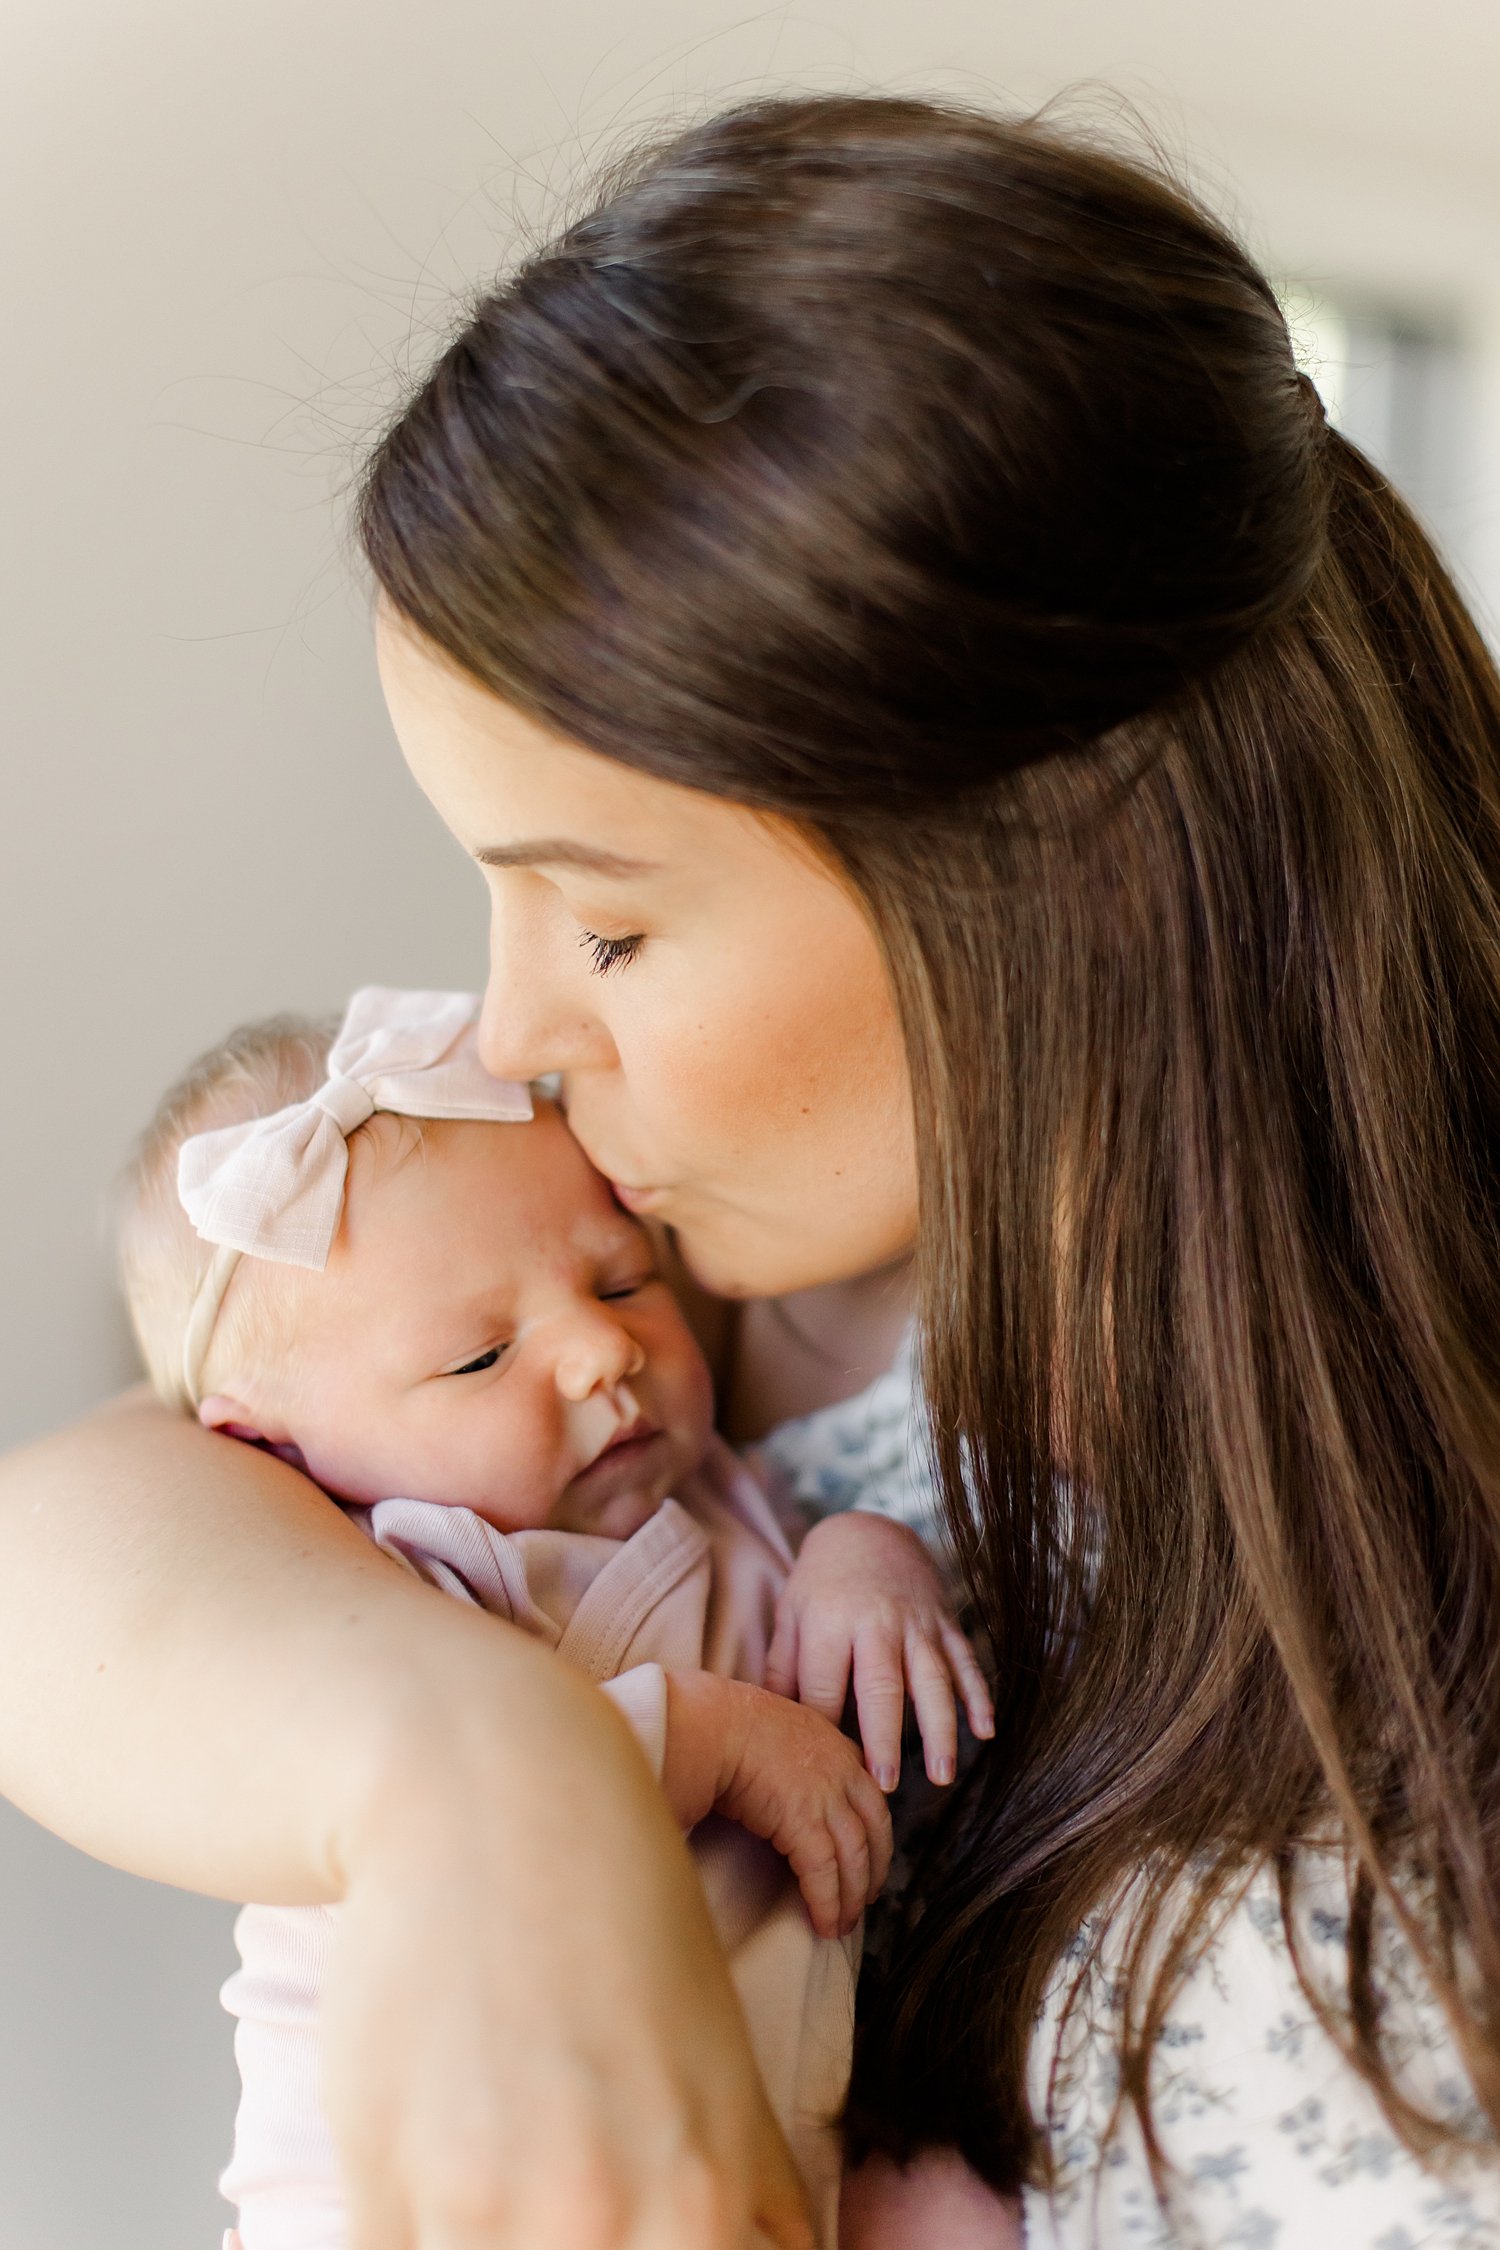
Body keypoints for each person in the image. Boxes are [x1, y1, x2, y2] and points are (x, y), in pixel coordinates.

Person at [5, 86, 1500, 2248]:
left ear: (1059, 873)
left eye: (604, 923)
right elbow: (82, 1533)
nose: (511, 1033)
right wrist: (473, 1782)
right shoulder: (709, 1325)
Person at [115, 984, 991, 2248]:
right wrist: (711, 1738)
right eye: (478, 1359)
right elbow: (460, 1779)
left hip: (765, 2137)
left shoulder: (710, 1492)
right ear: (278, 1452)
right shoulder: (406, 1580)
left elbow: (809, 1555)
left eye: (624, 1284)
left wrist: (863, 1560)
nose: (599, 1353)